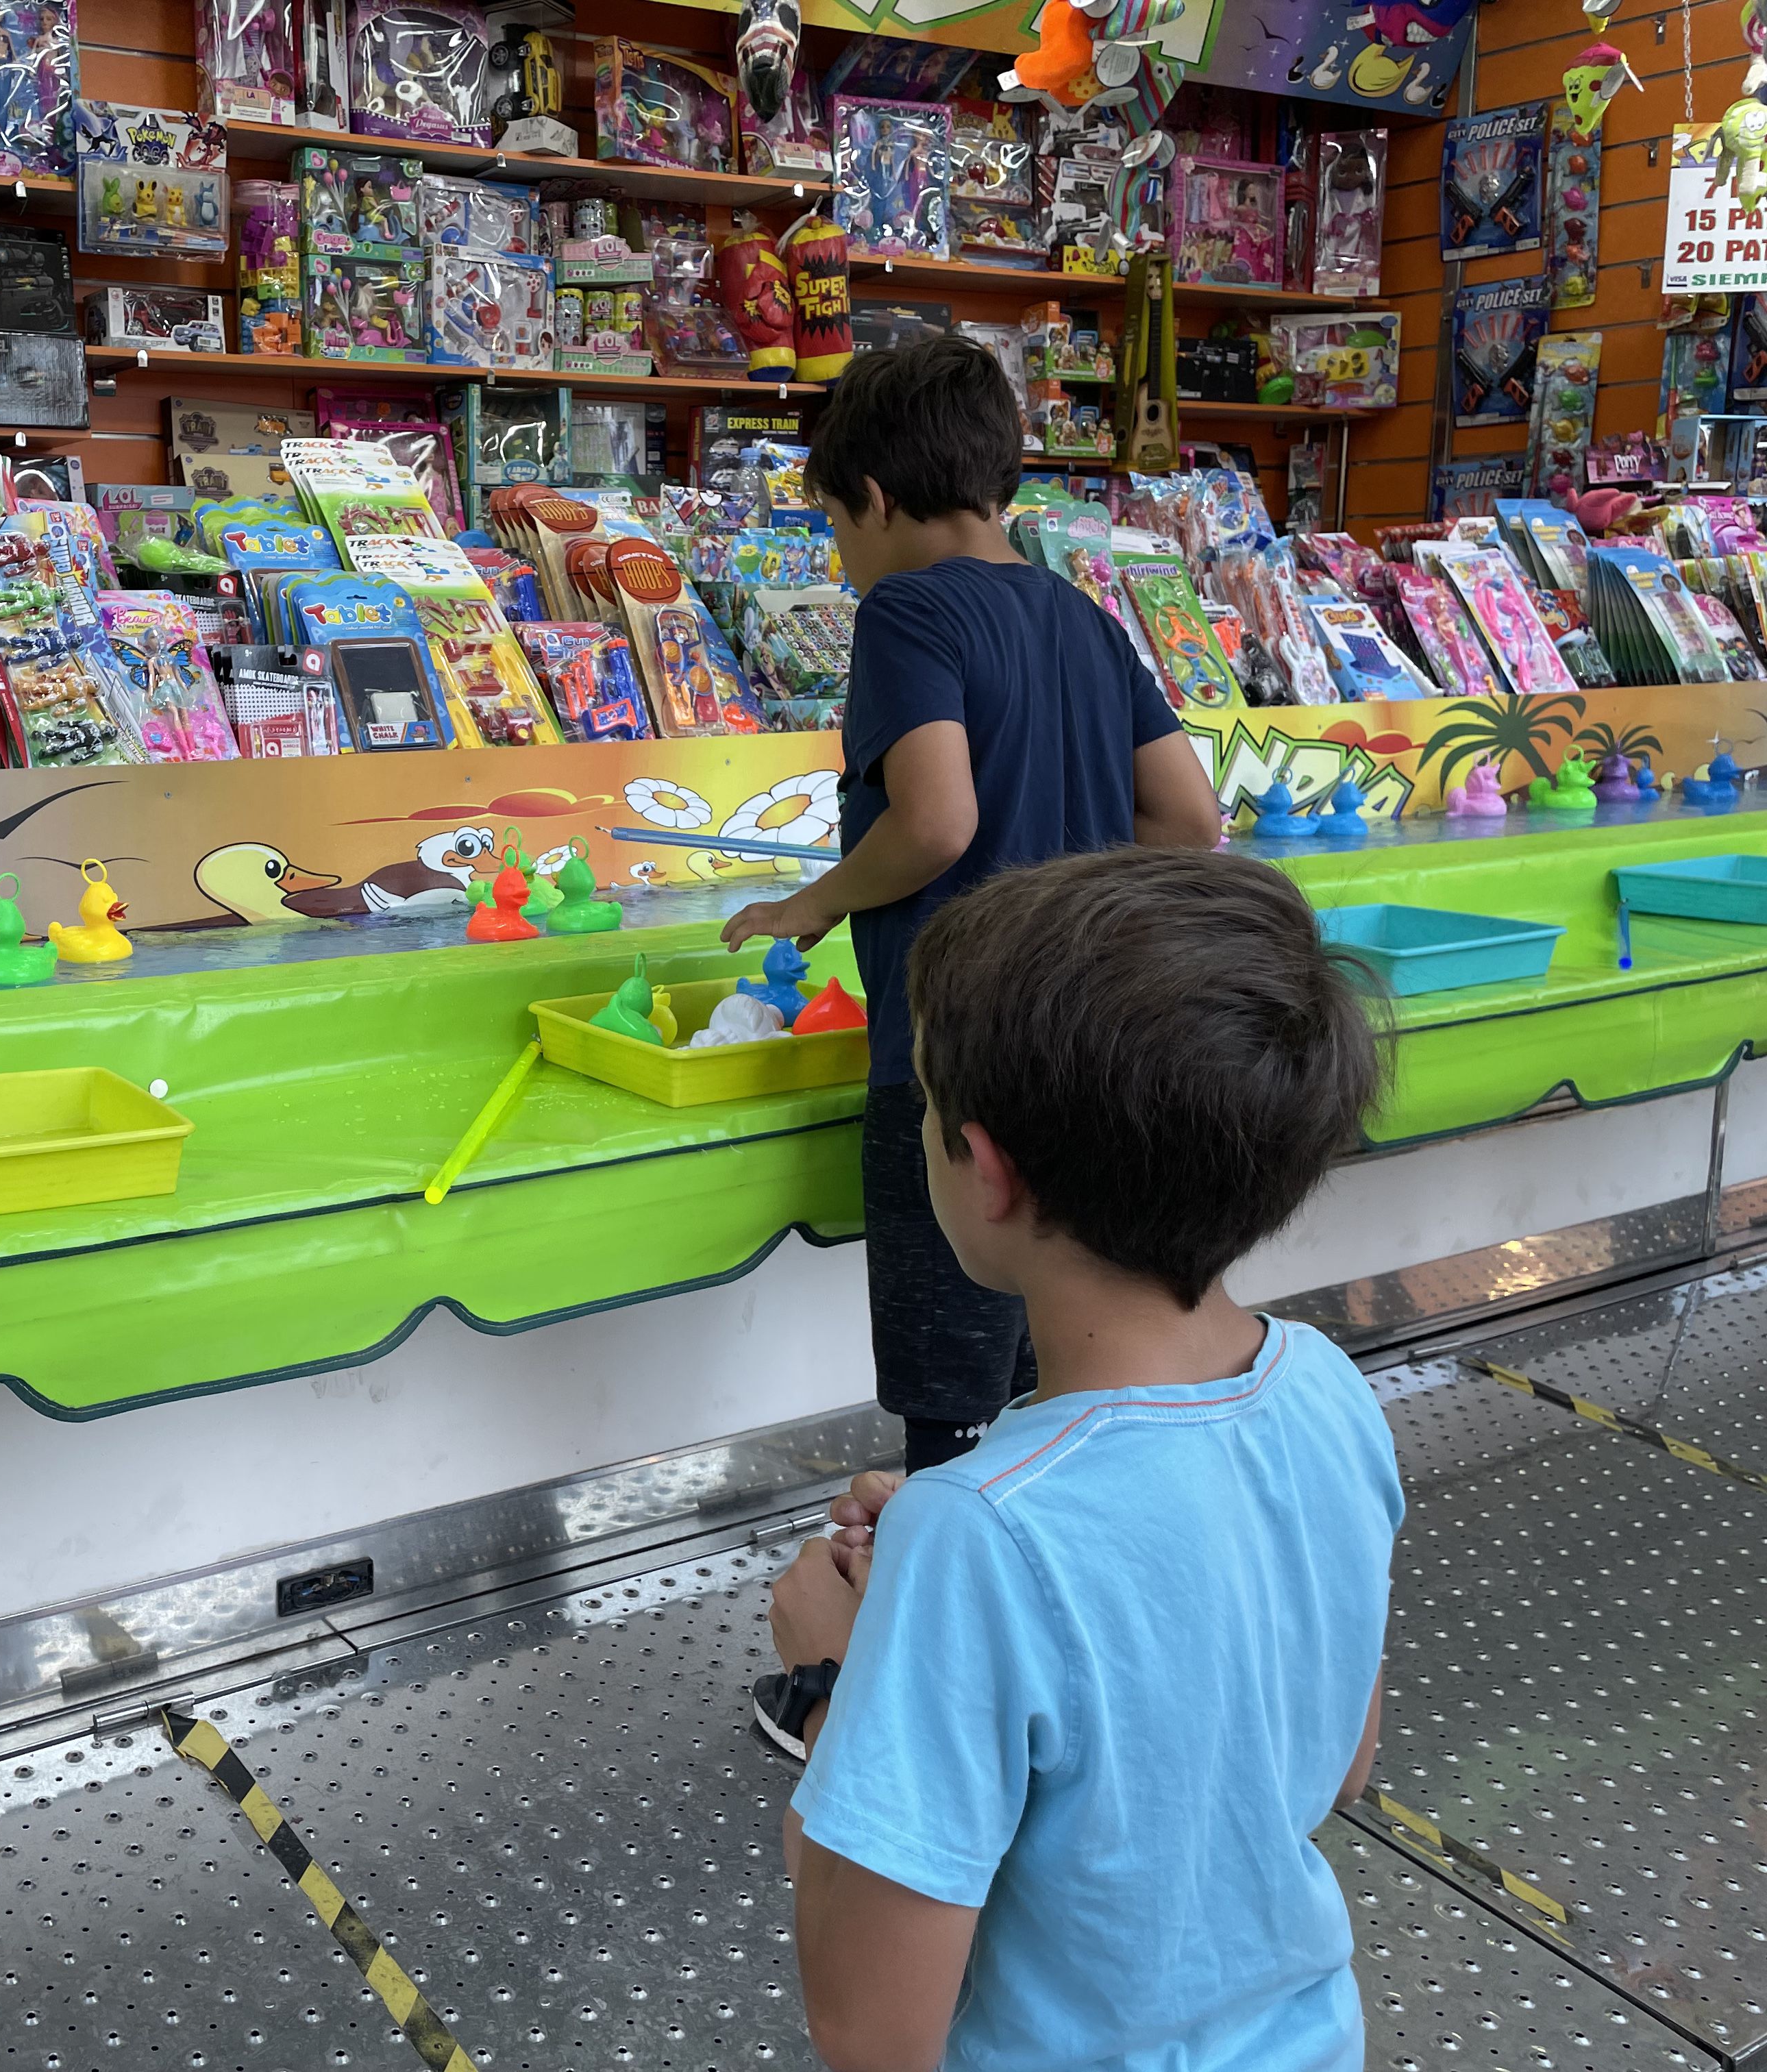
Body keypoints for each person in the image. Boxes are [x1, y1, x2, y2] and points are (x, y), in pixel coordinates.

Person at [765, 847, 1398, 2072]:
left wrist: (832, 1680)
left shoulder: (977, 1540)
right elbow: (1337, 1772)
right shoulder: (1329, 1388)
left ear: (986, 1169)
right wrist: (973, 1563)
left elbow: (870, 2030)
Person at [725, 335, 1222, 1755]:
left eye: (830, 523)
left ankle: (884, 1712)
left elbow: (933, 823)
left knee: (944, 1424)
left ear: (874, 493)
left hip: (954, 1079)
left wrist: (812, 901)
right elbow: (1188, 823)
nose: (838, 555)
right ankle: (1068, 1665)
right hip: (1080, 1059)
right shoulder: (1077, 616)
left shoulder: (910, 617)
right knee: (1046, 1397)